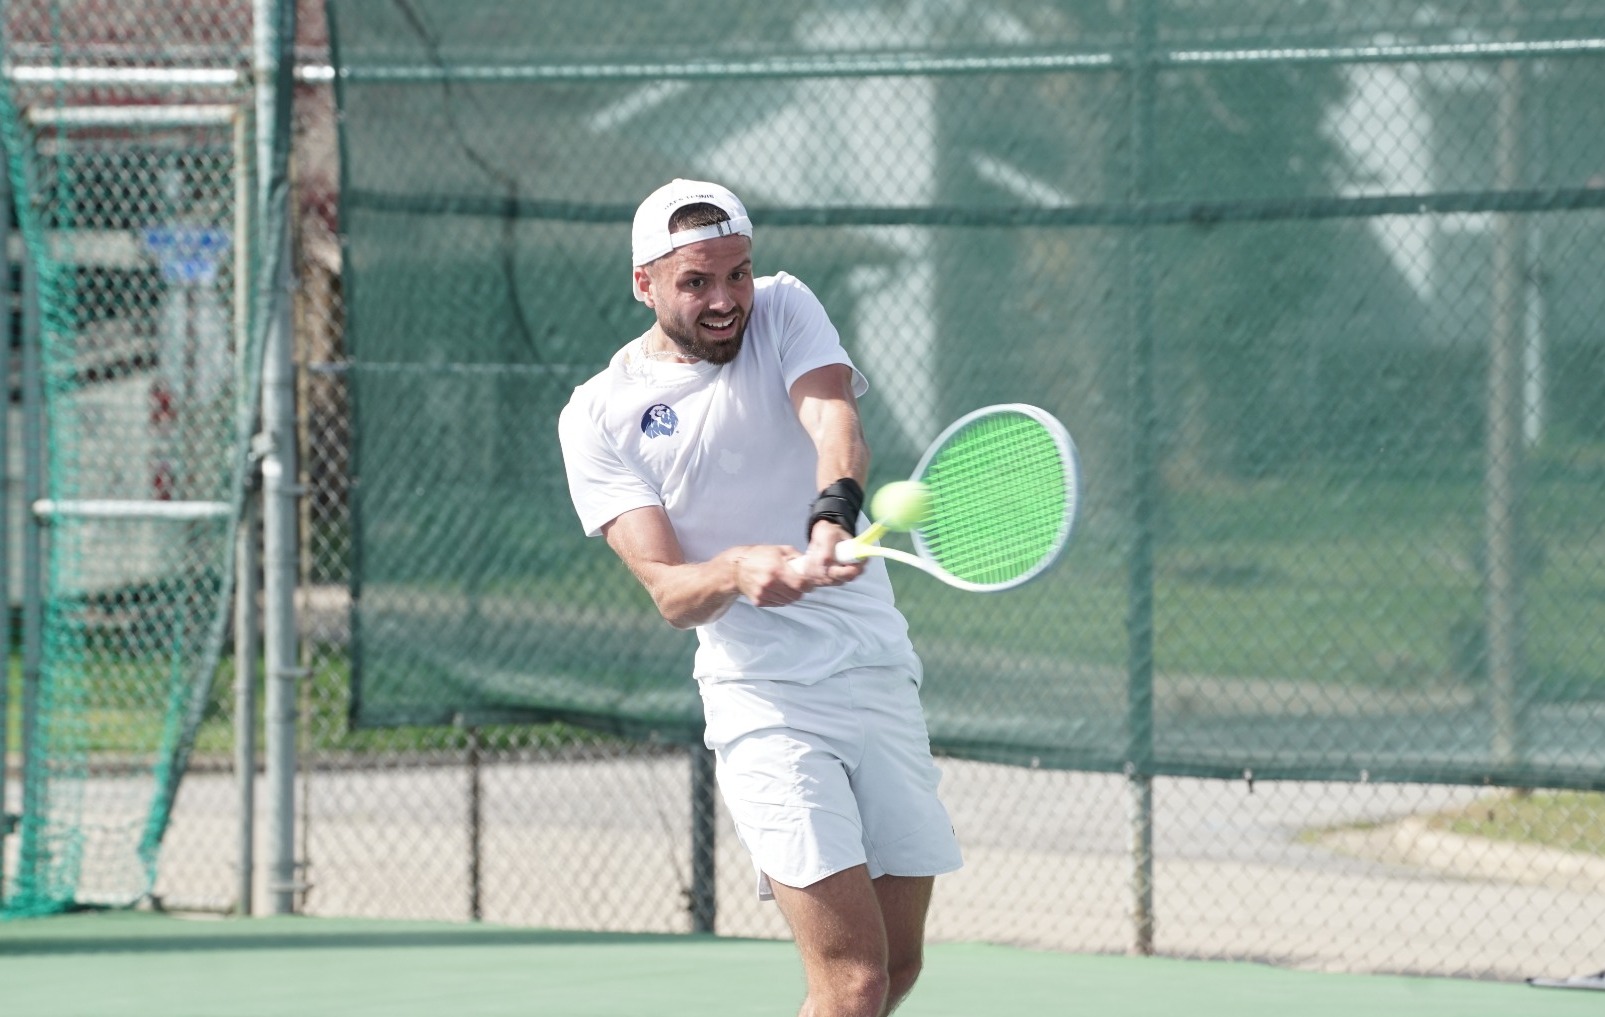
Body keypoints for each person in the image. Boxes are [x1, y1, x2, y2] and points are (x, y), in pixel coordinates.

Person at [557, 179, 962, 1017]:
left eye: (736, 274)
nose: (724, 300)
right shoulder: (599, 416)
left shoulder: (784, 308)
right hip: (765, 702)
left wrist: (829, 518)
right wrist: (736, 570)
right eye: (696, 282)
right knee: (852, 983)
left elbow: (834, 421)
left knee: (898, 965)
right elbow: (669, 590)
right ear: (644, 283)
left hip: (879, 671)